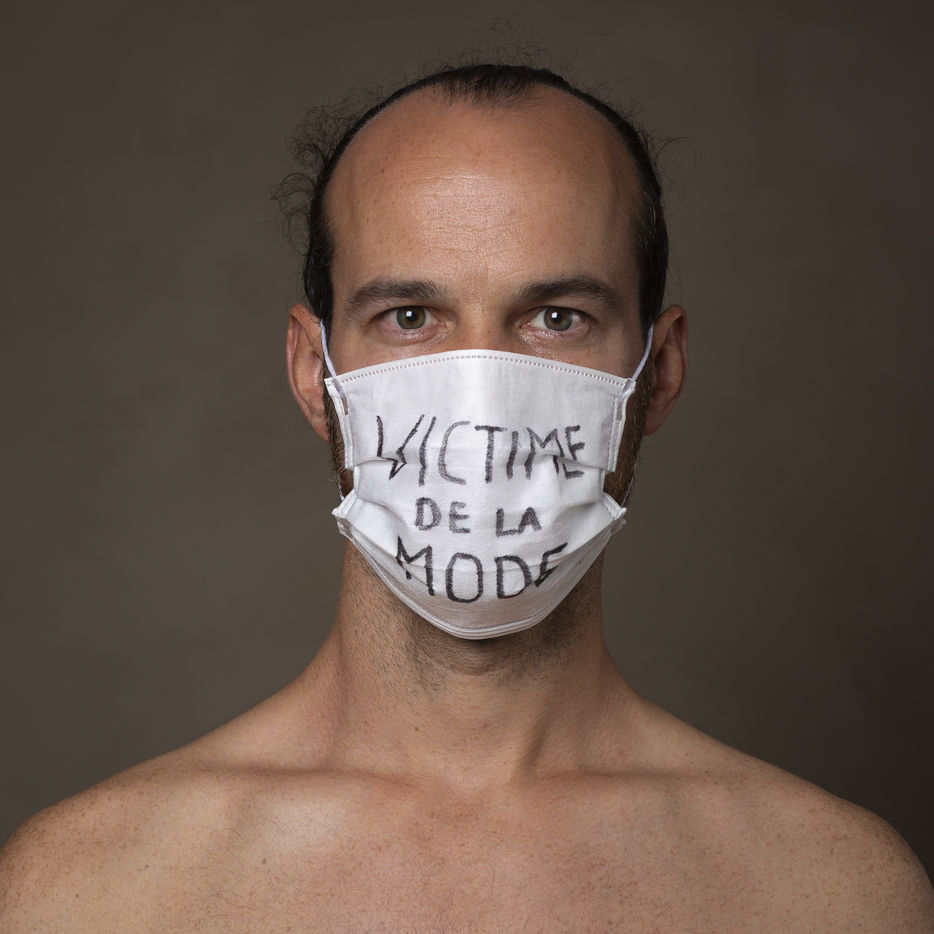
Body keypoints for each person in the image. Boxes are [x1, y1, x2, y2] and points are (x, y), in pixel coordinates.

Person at [1, 63, 932, 933]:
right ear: (313, 372)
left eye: (558, 318)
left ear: (660, 371)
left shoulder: (833, 892)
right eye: (409, 318)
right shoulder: (84, 892)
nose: (481, 401)